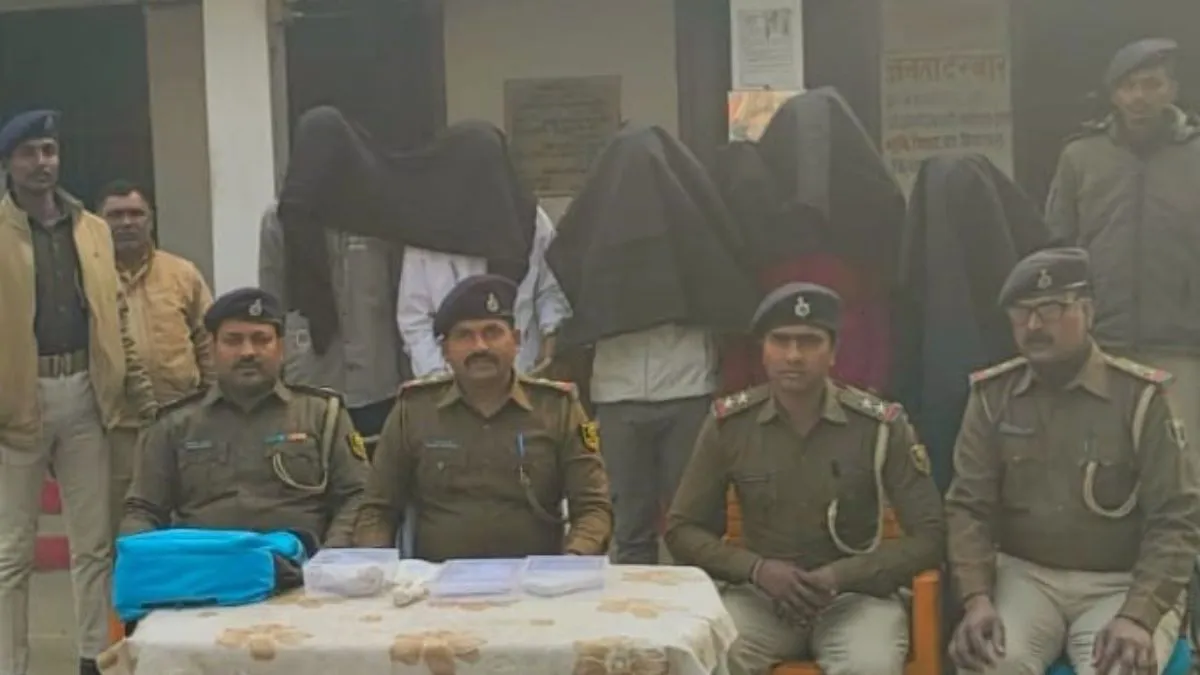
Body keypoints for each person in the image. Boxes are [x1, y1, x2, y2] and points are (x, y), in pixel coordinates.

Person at [665, 282, 945, 675]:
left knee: (868, 666)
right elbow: (681, 529)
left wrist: (839, 575)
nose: (794, 355)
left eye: (809, 342)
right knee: (713, 656)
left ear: (833, 352)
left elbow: (930, 535)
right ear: (763, 350)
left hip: (856, 598)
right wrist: (756, 569)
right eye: (780, 341)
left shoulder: (879, 426)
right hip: (760, 598)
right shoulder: (730, 425)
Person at [945, 248, 1200, 675]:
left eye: (1051, 309)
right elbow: (968, 507)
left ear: (1088, 312)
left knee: (1117, 669)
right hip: (1026, 578)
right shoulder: (993, 398)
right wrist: (976, 599)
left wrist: (1139, 615)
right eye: (1021, 312)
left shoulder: (1141, 398)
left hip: (1121, 582)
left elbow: (1177, 517)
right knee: (988, 662)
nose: (1034, 325)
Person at [0, 110, 156, 675]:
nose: (42, 163)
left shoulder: (91, 229)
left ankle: (93, 655)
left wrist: (138, 391)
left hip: (87, 394)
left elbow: (115, 315)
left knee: (92, 543)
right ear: (9, 164)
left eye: (49, 150)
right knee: (11, 551)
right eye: (29, 153)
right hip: (17, 399)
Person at [354, 274, 612, 559]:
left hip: (535, 580)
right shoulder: (415, 410)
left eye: (492, 332)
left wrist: (572, 560)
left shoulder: (557, 408)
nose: (480, 347)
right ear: (445, 351)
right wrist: (375, 566)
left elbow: (593, 508)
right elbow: (377, 509)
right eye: (465, 335)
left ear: (516, 341)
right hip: (434, 580)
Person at [121, 288, 368, 548]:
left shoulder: (322, 415)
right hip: (206, 566)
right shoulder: (175, 425)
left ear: (281, 348)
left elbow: (357, 496)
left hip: (300, 566)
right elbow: (143, 509)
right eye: (233, 341)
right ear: (212, 347)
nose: (248, 352)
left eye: (261, 339)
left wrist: (331, 557)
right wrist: (141, 558)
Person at [1045, 38, 1200, 447]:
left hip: (1183, 345)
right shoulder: (1080, 156)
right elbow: (1058, 248)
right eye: (1128, 86)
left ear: (1172, 90)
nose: (1139, 97)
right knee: (1102, 457)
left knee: (1182, 461)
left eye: (1152, 84)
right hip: (1101, 343)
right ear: (1113, 94)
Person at [97, 179, 214, 537]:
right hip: (117, 427)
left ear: (151, 219)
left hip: (183, 417)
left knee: (190, 516)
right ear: (98, 222)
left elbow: (208, 341)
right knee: (123, 524)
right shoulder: (89, 277)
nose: (126, 223)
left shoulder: (182, 274)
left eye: (136, 213)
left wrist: (213, 403)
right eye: (116, 215)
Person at [259, 202, 405, 456]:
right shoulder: (281, 217)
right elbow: (272, 304)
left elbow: (402, 299)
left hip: (377, 380)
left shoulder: (381, 215)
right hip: (309, 378)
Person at [397, 205, 569, 376]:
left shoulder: (531, 217)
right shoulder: (427, 228)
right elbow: (414, 317)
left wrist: (550, 340)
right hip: (451, 373)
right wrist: (436, 372)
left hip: (524, 366)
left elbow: (550, 289)